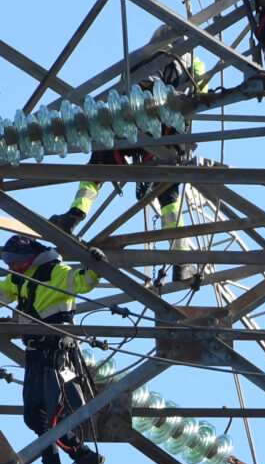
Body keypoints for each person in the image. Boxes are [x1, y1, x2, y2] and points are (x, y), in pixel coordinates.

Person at [49, 25, 210, 287]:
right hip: (164, 135)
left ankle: (73, 216)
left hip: (127, 127)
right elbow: (201, 93)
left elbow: (123, 91)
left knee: (99, 165)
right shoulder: (190, 60)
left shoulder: (140, 56)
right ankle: (181, 260)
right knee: (168, 194)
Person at [0, 233, 106, 464]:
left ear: (28, 259)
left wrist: (96, 264)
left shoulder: (56, 273)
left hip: (56, 352)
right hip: (36, 353)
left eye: (14, 262)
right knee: (34, 416)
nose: (10, 266)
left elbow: (85, 281)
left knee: (51, 413)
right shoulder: (19, 278)